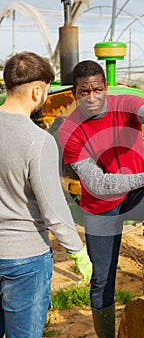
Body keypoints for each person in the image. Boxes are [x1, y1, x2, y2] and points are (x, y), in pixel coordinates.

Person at [58, 60, 144, 338]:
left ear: (105, 88)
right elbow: (98, 184)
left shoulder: (125, 103)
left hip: (133, 195)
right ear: (74, 94)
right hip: (100, 206)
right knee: (102, 279)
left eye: (96, 89)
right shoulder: (69, 131)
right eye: (83, 92)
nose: (91, 97)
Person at [0, 52, 92, 338]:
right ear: (37, 91)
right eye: (47, 91)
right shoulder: (38, 140)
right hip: (24, 260)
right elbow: (53, 208)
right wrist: (78, 252)